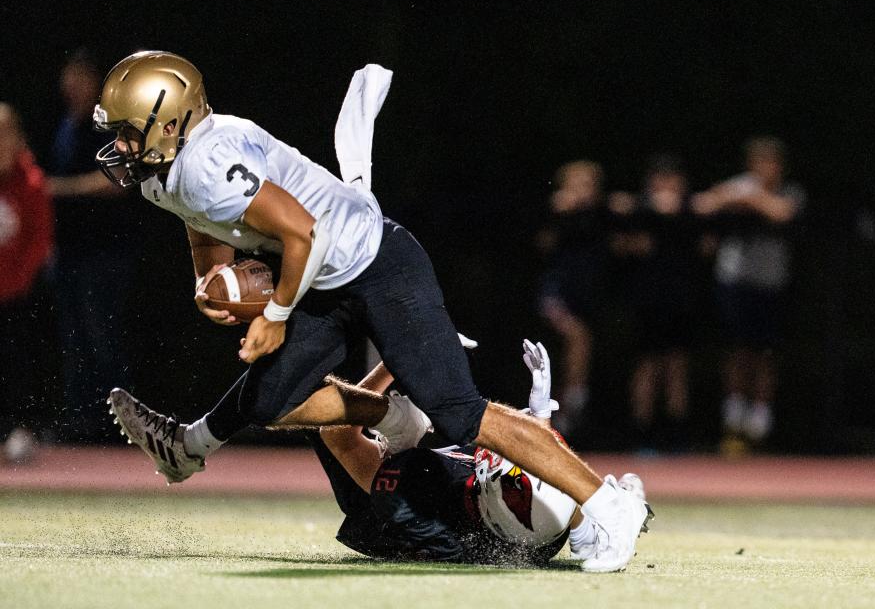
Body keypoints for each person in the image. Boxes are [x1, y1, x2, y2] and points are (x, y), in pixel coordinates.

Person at [96, 50, 645, 572]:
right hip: (328, 274)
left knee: (458, 412)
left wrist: (276, 314)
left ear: (170, 124)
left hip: (377, 263)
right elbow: (201, 216)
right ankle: (374, 421)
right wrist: (207, 278)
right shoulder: (164, 172)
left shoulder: (209, 162)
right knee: (271, 399)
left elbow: (302, 231)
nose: (119, 145)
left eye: (127, 130)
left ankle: (607, 505)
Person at [310, 339, 652, 565]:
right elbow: (553, 488)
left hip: (396, 499)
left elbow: (337, 432)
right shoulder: (542, 533)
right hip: (471, 506)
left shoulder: (418, 491)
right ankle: (619, 505)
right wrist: (540, 421)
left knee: (394, 419)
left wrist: (396, 361)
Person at [44, 49, 140, 442]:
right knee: (74, 342)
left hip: (106, 253)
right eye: (68, 81)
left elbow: (119, 180)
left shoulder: (108, 124)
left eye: (79, 80)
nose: (72, 88)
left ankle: (120, 426)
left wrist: (57, 189)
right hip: (70, 253)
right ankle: (80, 424)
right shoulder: (65, 125)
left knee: (105, 340)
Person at [691, 136, 805, 447]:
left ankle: (760, 418)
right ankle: (733, 415)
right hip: (735, 282)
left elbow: (783, 212)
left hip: (771, 284)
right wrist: (731, 196)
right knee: (736, 349)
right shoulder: (738, 186)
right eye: (759, 163)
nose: (765, 169)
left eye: (771, 163)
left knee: (765, 353)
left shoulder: (787, 191)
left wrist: (751, 198)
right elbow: (702, 205)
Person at [608, 154, 705, 449]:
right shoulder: (637, 211)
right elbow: (618, 240)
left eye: (672, 179)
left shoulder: (692, 212)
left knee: (676, 367)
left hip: (681, 301)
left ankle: (676, 435)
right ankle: (642, 433)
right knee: (646, 366)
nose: (667, 185)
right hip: (647, 301)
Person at [533, 160, 610, 436]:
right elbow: (542, 245)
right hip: (556, 295)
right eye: (577, 185)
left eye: (589, 185)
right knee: (576, 338)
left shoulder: (600, 216)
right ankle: (572, 403)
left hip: (587, 296)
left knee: (582, 344)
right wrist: (558, 213)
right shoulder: (556, 214)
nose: (583, 191)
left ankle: (571, 409)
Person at [0, 103, 54, 462]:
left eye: (5, 134)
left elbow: (39, 241)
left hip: (16, 293)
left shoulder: (31, 181)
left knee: (17, 362)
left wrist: (17, 280)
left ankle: (20, 430)